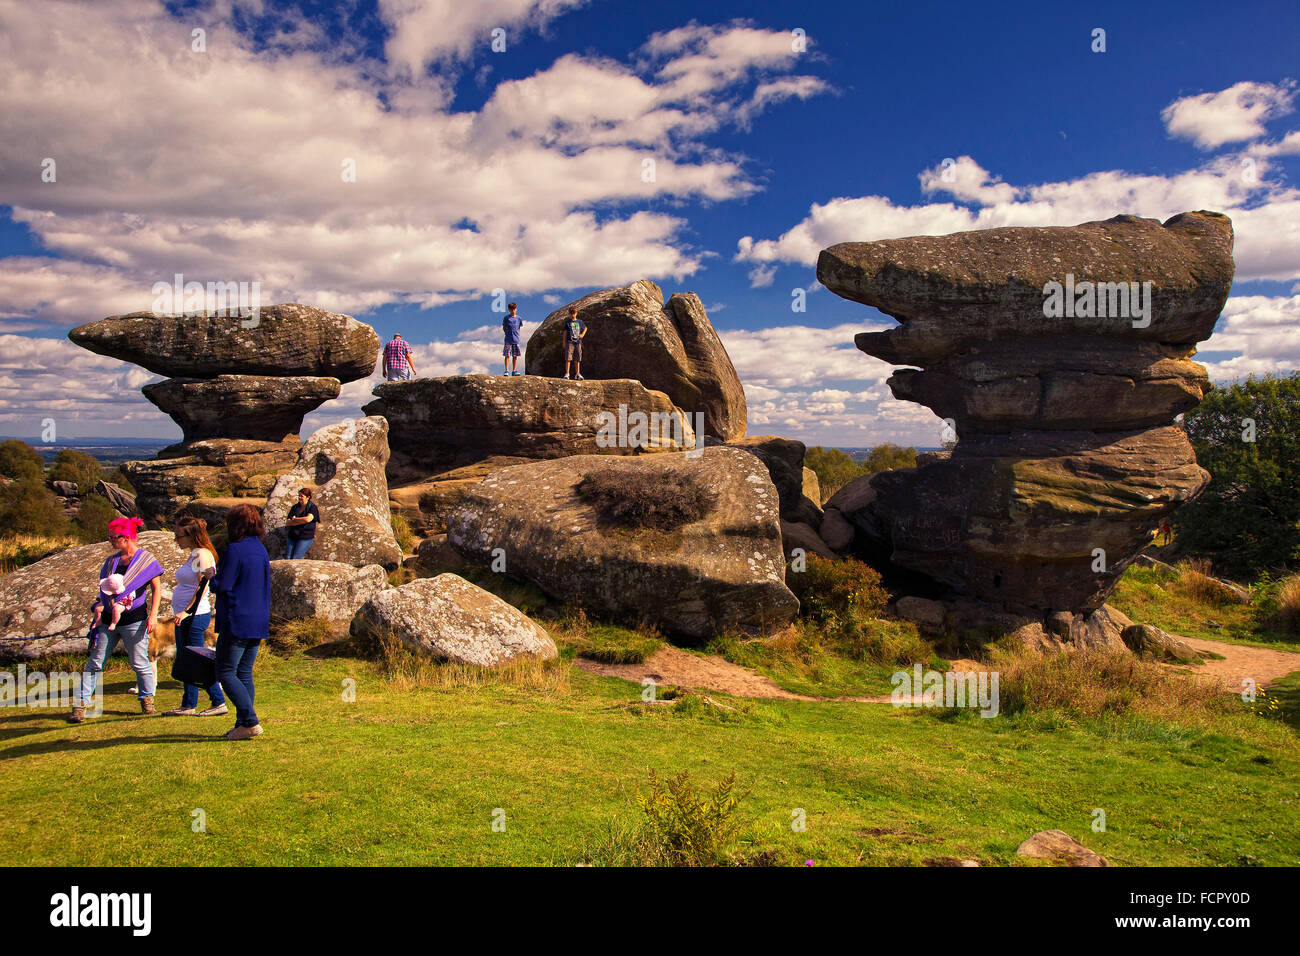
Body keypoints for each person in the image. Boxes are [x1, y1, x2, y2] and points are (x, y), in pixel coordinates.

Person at [69, 517, 164, 722]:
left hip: (135, 619)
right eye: (110, 537)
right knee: (95, 662)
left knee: (139, 663)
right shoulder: (111, 562)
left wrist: (153, 615)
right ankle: (80, 705)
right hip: (107, 620)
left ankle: (147, 701)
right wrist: (98, 607)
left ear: (127, 537)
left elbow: (156, 589)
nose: (111, 541)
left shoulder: (146, 560)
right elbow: (103, 589)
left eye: (114, 537)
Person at [214, 504, 271, 740]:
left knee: (226, 672)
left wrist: (211, 577)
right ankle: (242, 723)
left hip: (237, 617)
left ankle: (249, 720)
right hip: (258, 619)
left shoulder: (234, 551)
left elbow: (223, 585)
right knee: (244, 672)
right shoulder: (261, 550)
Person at [163, 516, 227, 718]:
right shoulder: (194, 554)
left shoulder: (201, 554)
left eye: (179, 535)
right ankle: (188, 703)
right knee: (187, 659)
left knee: (195, 660)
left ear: (190, 535)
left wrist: (186, 611)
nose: (176, 539)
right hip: (186, 615)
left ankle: (217, 700)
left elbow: (203, 586)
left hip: (193, 616)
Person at [283, 487, 321, 559]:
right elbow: (288, 522)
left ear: (308, 497)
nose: (299, 498)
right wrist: (301, 521)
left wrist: (295, 519)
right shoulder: (295, 507)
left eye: (302, 496)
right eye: (299, 496)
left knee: (296, 558)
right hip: (293, 536)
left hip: (305, 537)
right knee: (288, 557)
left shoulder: (312, 508)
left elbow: (308, 519)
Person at [563, 304, 586, 380]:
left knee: (577, 358)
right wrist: (564, 342)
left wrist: (582, 334)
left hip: (578, 342)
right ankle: (567, 373)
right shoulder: (567, 322)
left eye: (574, 313)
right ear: (569, 314)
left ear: (576, 313)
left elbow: (585, 328)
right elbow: (565, 332)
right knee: (568, 357)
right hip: (570, 341)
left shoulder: (580, 322)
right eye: (571, 313)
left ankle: (578, 374)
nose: (573, 315)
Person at [502, 302, 523, 376]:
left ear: (516, 309)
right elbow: (504, 327)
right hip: (508, 339)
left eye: (514, 309)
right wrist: (507, 334)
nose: (513, 311)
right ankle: (506, 370)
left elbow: (519, 328)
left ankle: (514, 370)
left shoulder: (519, 318)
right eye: (511, 309)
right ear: (509, 310)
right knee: (507, 355)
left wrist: (517, 335)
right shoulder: (506, 318)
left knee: (515, 355)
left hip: (516, 339)